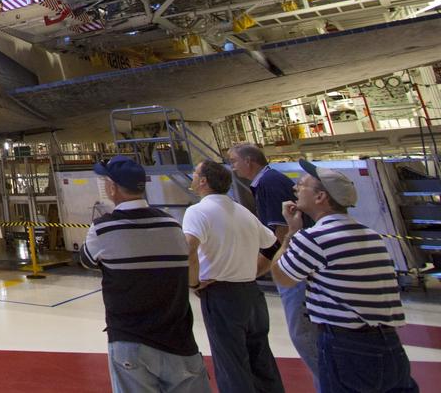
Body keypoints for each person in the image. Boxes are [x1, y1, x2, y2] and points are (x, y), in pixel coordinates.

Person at [272, 161, 418, 393]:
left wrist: (291, 232)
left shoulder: (314, 238)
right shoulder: (373, 236)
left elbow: (282, 276)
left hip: (345, 345)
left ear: (321, 197)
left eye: (302, 186)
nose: (296, 189)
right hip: (389, 343)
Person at [82, 155, 211, 393]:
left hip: (129, 339)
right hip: (179, 339)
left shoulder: (103, 228)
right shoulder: (172, 224)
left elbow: (88, 260)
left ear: (112, 188)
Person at [184, 160, 284, 393]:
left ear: (203, 181)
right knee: (262, 361)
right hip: (252, 293)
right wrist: (253, 272)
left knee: (231, 364)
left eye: (195, 173)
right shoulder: (243, 212)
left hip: (221, 295)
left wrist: (194, 282)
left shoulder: (197, 212)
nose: (192, 176)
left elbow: (189, 249)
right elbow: (273, 248)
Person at [229, 142, 320, 384]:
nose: (233, 167)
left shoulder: (268, 182)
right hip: (301, 262)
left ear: (249, 161)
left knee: (303, 334)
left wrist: (267, 267)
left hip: (295, 267)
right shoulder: (268, 180)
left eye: (234, 161)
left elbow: (280, 232)